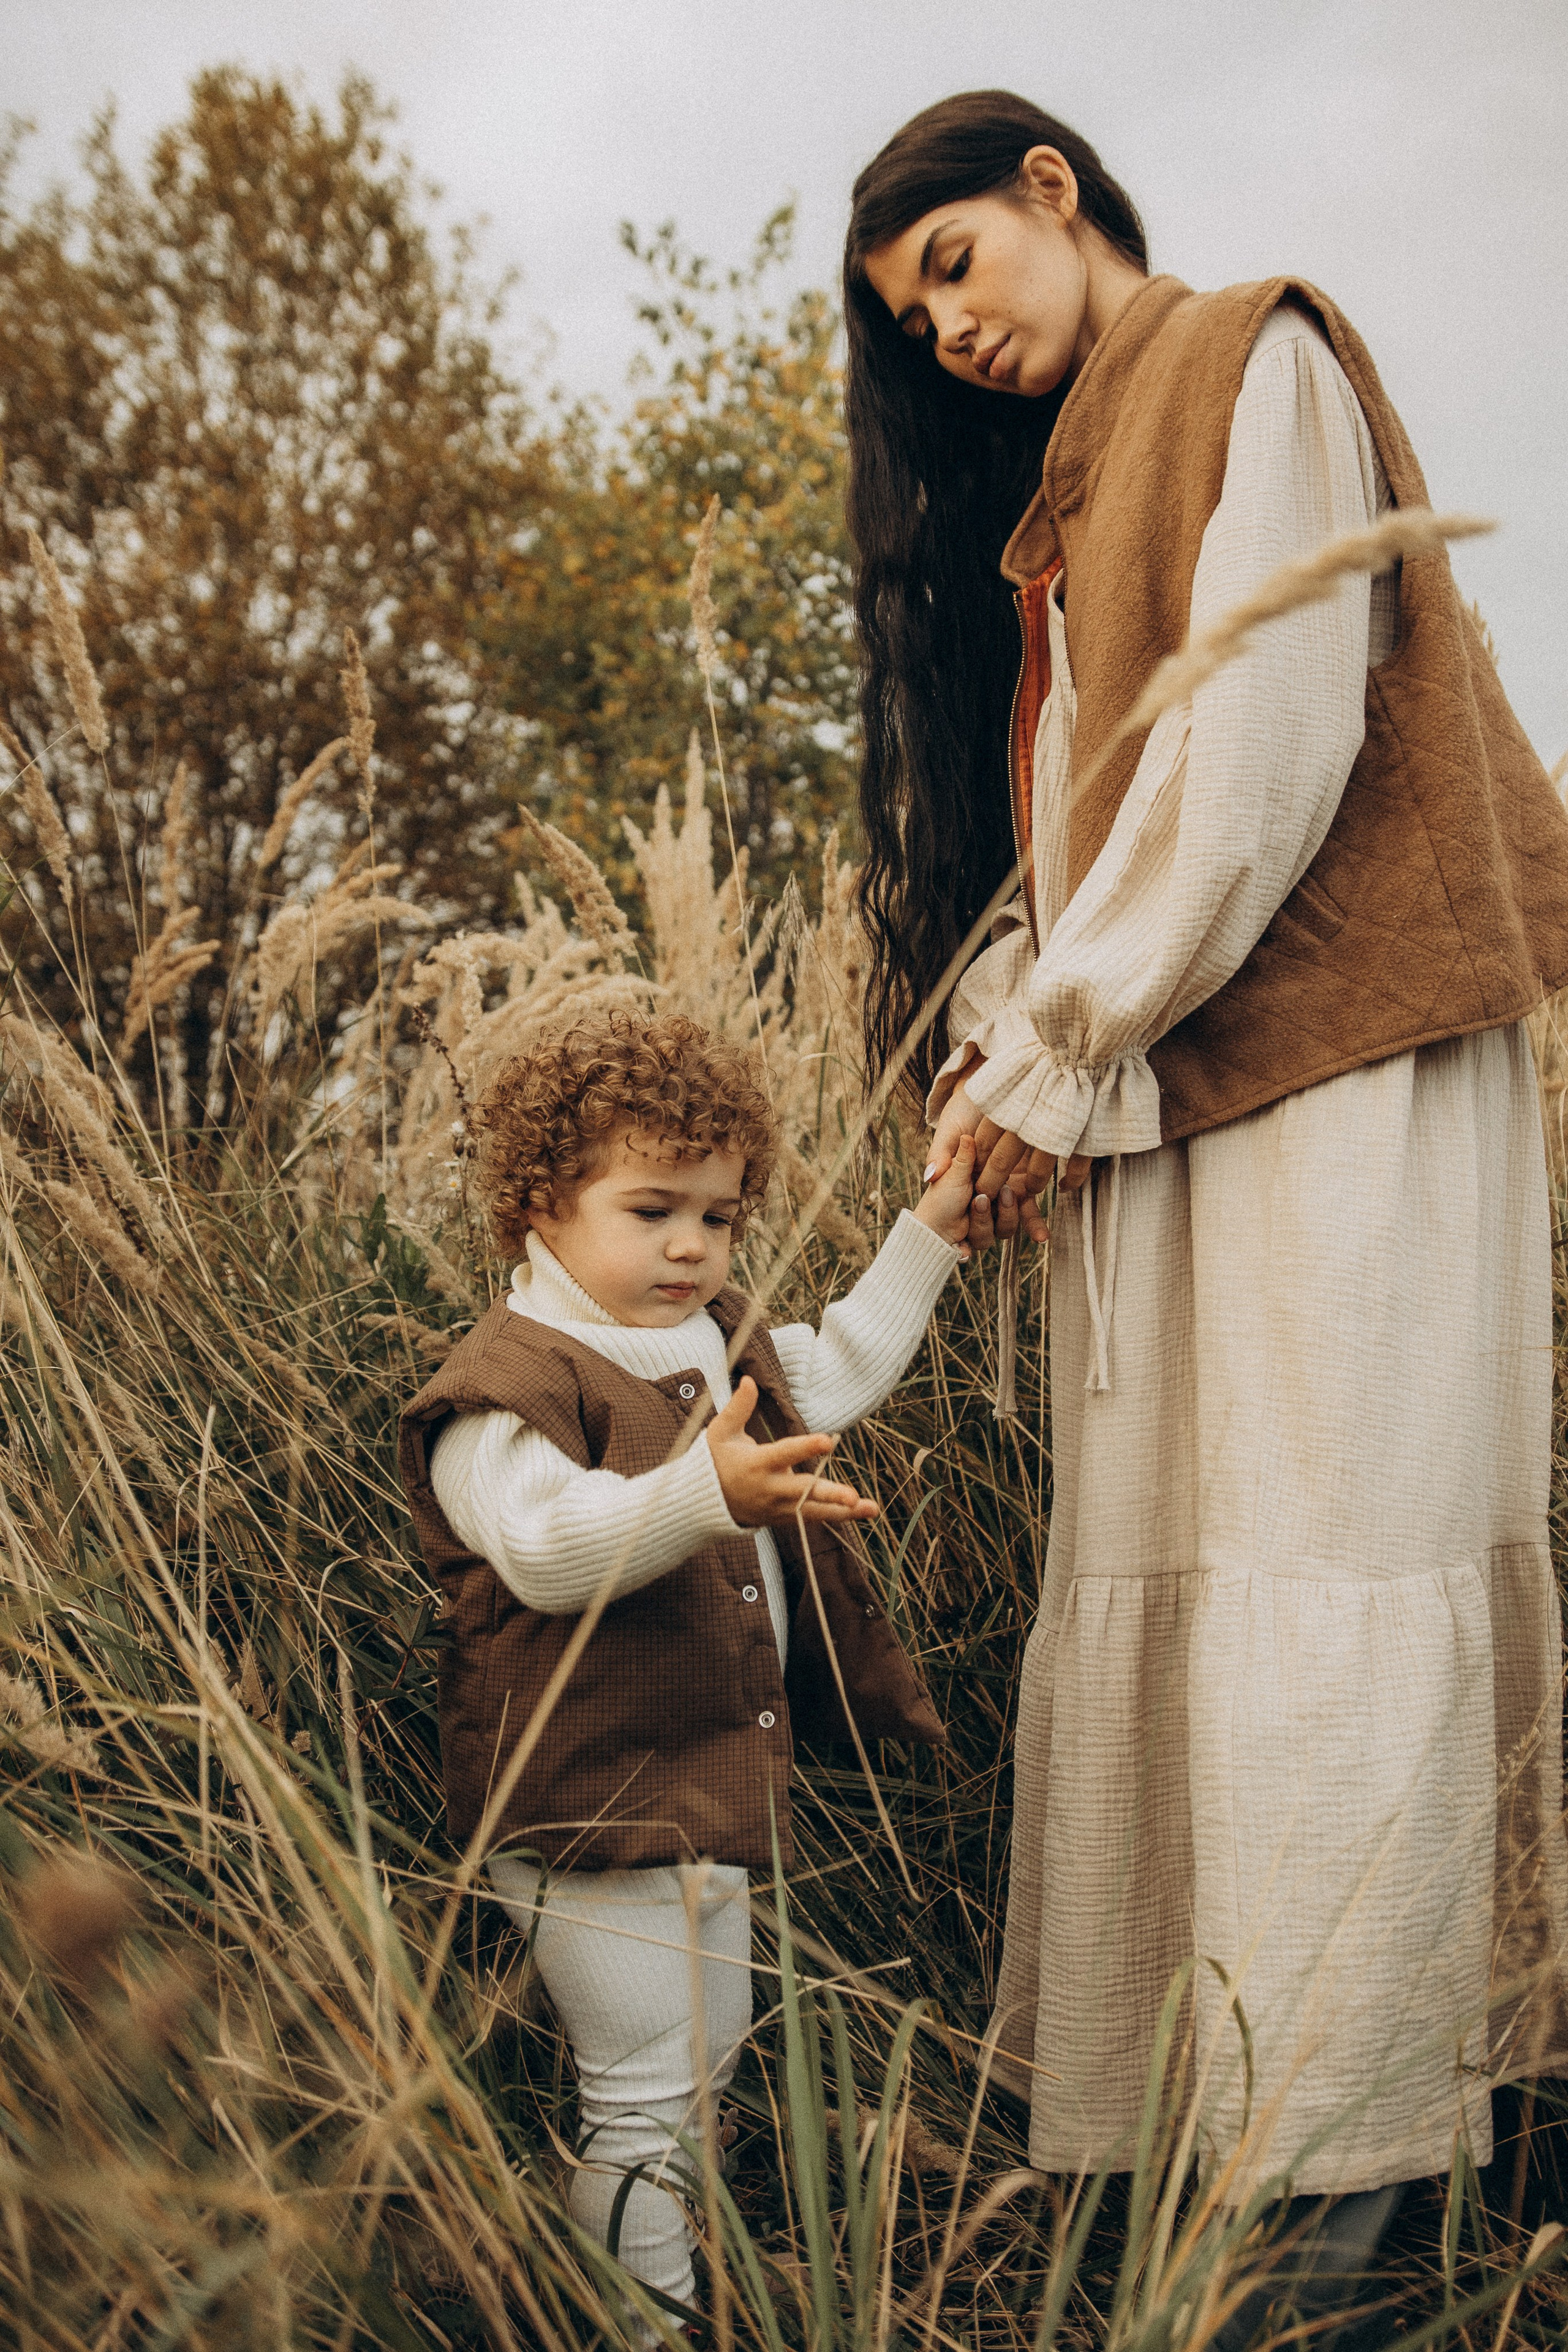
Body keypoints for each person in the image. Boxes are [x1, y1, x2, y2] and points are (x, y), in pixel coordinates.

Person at [843, 86, 1568, 2335]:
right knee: (1212, 1594)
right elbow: (1101, 833)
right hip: (1181, 1092)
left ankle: (1336, 2232)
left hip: (1331, 1084)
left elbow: (1263, 750)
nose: (946, 328)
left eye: (954, 262)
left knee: (1323, 1585)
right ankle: (1214, 2195)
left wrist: (1063, 1047)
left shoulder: (1250, 351)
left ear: (1053, 190)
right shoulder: (1065, 488)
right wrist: (1015, 1045)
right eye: (908, 315)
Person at [398, 1008, 995, 2326]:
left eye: (720, 1218)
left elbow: (826, 1371)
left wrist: (932, 1234)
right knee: (643, 2095)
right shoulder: (502, 1390)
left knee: (697, 2069)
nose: (691, 1247)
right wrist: (705, 1495)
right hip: (584, 1796)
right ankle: (641, 2321)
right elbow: (546, 1554)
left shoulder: (701, 1335)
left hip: (702, 1777)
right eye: (651, 1209)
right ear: (538, 1205)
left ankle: (654, 2281)